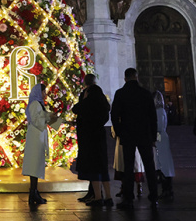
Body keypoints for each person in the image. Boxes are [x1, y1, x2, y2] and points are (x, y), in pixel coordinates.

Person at [110, 68, 159, 209]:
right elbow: (153, 117)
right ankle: (154, 196)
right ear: (136, 77)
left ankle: (128, 198)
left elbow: (114, 115)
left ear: (125, 78)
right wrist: (153, 135)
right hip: (144, 135)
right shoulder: (145, 93)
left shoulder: (121, 93)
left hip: (128, 134)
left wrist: (119, 131)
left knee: (128, 166)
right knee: (149, 166)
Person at [72, 74, 112, 207]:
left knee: (94, 168)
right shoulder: (101, 96)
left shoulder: (89, 96)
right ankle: (108, 197)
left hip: (90, 136)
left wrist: (83, 99)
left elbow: (76, 109)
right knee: (103, 167)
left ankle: (98, 197)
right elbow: (106, 113)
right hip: (100, 134)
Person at [22, 83, 61, 205]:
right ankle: (33, 193)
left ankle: (34, 192)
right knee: (34, 165)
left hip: (37, 137)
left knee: (36, 165)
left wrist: (51, 116)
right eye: (43, 92)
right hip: (35, 138)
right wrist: (48, 118)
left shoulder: (38, 104)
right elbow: (36, 120)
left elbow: (41, 117)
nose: (45, 94)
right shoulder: (34, 104)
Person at [154, 91, 176, 199]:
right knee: (162, 164)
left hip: (160, 138)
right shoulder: (161, 110)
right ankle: (166, 189)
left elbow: (159, 126)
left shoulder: (159, 111)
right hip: (161, 138)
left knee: (163, 164)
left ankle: (167, 189)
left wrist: (154, 138)